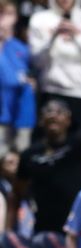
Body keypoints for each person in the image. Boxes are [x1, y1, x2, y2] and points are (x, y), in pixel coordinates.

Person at [17, 99, 81, 233]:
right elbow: (17, 192)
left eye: (60, 112)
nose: (53, 115)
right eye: (49, 111)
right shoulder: (29, 154)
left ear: (68, 120)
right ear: (41, 119)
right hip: (43, 229)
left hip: (80, 228)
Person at [28, 0, 81, 130]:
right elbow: (36, 60)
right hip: (50, 91)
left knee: (78, 145)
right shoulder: (39, 19)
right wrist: (53, 37)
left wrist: (76, 35)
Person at [0, 0, 36, 156]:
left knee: (18, 165)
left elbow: (25, 78)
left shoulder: (21, 48)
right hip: (2, 116)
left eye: (8, 14)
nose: (3, 19)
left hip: (21, 117)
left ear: (15, 17)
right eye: (1, 13)